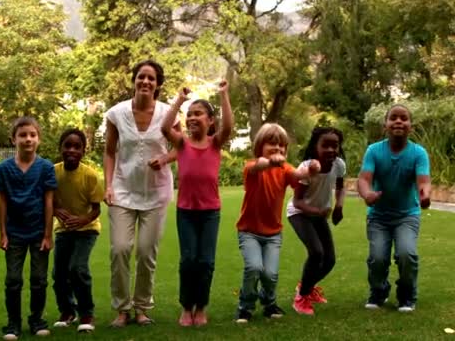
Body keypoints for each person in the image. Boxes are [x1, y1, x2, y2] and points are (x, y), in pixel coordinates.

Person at [103, 59, 180, 327]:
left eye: (151, 78)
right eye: (141, 77)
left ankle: (142, 308)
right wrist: (108, 185)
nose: (145, 82)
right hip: (123, 190)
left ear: (158, 85)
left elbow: (181, 146)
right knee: (120, 249)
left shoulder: (167, 114)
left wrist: (165, 159)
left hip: (156, 193)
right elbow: (109, 151)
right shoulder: (116, 113)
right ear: (134, 80)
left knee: (147, 252)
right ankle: (122, 309)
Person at [160, 81, 233, 326]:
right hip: (186, 212)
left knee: (206, 261)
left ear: (210, 121)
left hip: (210, 212)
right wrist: (179, 100)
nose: (192, 118)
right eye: (189, 115)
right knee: (188, 260)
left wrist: (224, 95)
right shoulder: (182, 143)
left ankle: (201, 307)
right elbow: (164, 127)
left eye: (198, 114)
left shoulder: (215, 143)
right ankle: (186, 306)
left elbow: (230, 126)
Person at [234, 123, 320, 323]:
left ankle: (269, 303)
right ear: (259, 147)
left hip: (273, 234)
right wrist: (270, 162)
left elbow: (299, 176)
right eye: (272, 143)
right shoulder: (251, 167)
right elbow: (259, 166)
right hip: (249, 232)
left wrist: (312, 169)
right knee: (253, 268)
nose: (278, 149)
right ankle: (245, 306)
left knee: (270, 274)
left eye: (282, 146)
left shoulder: (285, 168)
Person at [357, 104, 431, 312]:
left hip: (407, 216)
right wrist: (367, 194)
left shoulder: (418, 153)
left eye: (404, 118)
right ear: (385, 126)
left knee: (407, 254)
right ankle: (378, 292)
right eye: (394, 118)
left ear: (411, 126)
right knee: (378, 258)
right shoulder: (374, 151)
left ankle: (407, 296)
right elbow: (364, 179)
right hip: (378, 217)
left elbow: (423, 181)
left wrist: (425, 194)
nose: (399, 121)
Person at [0, 117, 57, 340]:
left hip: (39, 232)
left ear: (38, 139)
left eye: (32, 135)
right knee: (13, 280)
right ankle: (13, 324)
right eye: (22, 135)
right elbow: (2, 202)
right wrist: (3, 233)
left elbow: (49, 202)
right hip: (14, 233)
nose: (28, 139)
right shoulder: (3, 168)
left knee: (39, 279)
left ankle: (37, 320)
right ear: (13, 139)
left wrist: (48, 234)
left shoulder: (46, 167)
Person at [286, 127, 346, 315]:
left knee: (329, 260)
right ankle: (301, 297)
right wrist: (317, 211)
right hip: (299, 213)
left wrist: (338, 207)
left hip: (319, 214)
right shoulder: (307, 168)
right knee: (316, 253)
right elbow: (297, 201)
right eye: (325, 145)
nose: (330, 150)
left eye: (334, 146)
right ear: (315, 146)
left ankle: (307, 286)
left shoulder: (339, 165)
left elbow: (340, 186)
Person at [51, 128, 104, 333]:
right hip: (63, 230)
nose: (71, 150)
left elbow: (96, 209)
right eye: (67, 146)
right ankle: (67, 311)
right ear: (60, 148)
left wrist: (81, 220)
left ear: (83, 150)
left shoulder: (90, 175)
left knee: (78, 268)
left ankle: (86, 314)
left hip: (87, 229)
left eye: (77, 147)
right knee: (59, 273)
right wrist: (57, 211)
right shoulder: (53, 172)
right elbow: (48, 200)